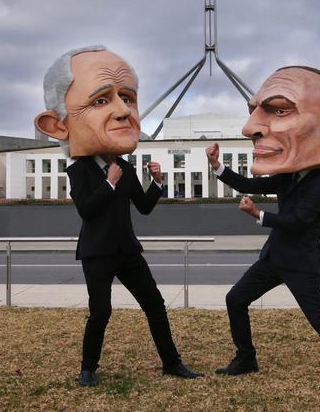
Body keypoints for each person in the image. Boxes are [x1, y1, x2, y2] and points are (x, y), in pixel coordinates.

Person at [35, 45, 202, 386]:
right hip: (97, 253)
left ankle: (172, 363)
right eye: (100, 100)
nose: (124, 111)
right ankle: (88, 369)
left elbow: (143, 206)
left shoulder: (124, 167)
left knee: (155, 305)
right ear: (59, 124)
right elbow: (87, 210)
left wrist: (157, 183)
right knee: (101, 313)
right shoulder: (79, 170)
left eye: (127, 98)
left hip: (127, 251)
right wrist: (109, 184)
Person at [206, 65, 320, 386]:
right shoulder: (289, 174)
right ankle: (246, 358)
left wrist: (258, 216)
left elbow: (299, 222)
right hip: (274, 259)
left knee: (319, 319)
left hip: (300, 263)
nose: (251, 127)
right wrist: (217, 167)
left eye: (280, 110)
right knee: (235, 299)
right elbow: (250, 184)